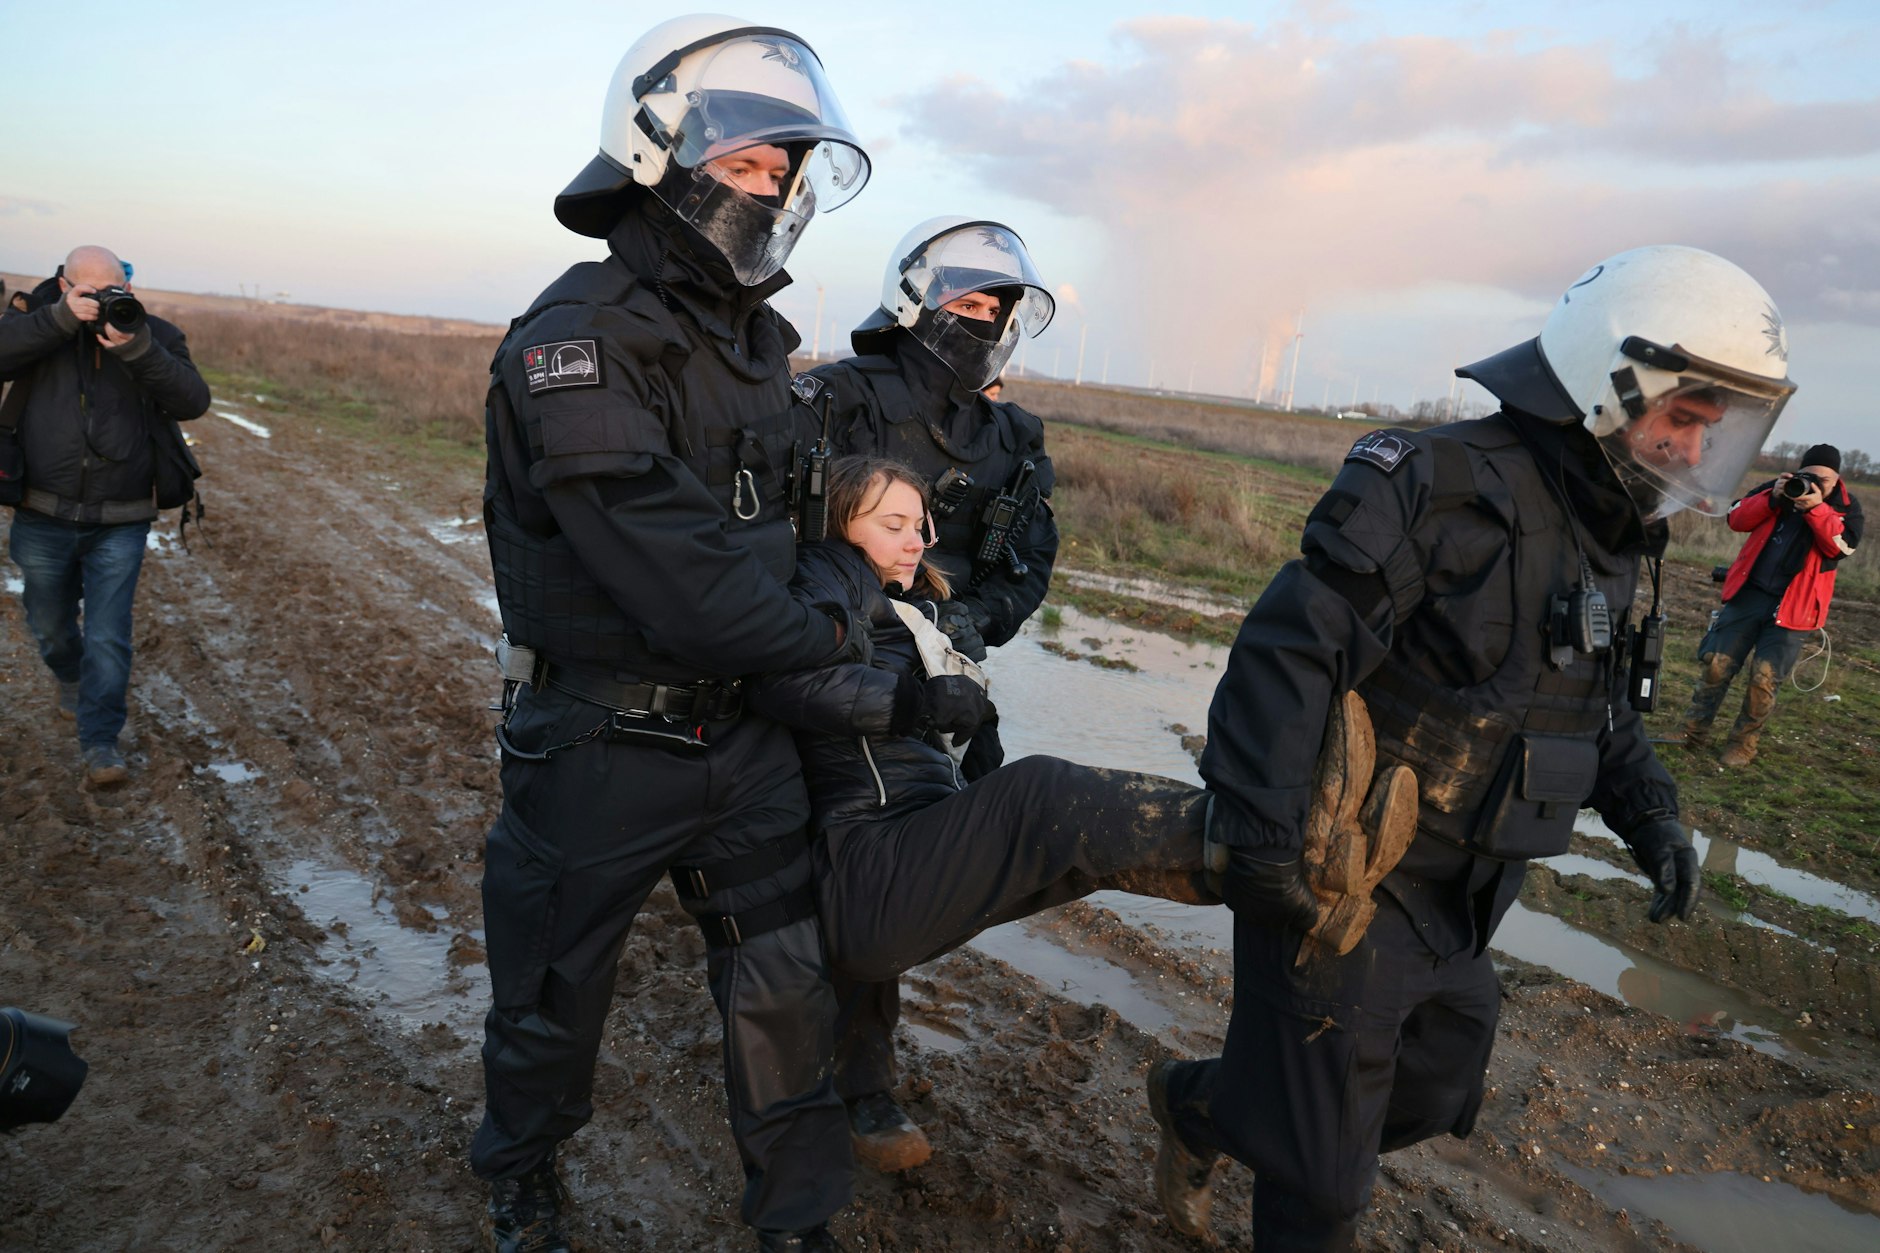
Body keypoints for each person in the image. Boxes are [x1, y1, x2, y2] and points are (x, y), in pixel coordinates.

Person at [1144, 245, 1795, 1249]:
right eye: (1679, 417)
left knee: (1431, 1084)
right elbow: (1285, 654)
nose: (1687, 447)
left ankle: (1203, 1105)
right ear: (1604, 385)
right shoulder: (1442, 484)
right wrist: (1265, 841)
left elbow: (1599, 707)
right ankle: (1271, 1128)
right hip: (1349, 876)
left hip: (1463, 899)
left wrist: (1652, 813)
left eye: (1709, 430)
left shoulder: (1612, 537)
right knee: (1321, 1184)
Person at [474, 16, 872, 1253]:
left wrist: (841, 586)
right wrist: (835, 619)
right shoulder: (576, 338)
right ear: (658, 148)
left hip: (744, 738)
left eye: (784, 173)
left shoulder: (759, 348)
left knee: (785, 981)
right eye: (750, 162)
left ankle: (795, 1213)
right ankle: (522, 1171)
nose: (771, 189)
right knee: (550, 992)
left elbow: (812, 529)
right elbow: (684, 579)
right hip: (600, 737)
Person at [797, 218, 1058, 1168]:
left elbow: (1028, 559)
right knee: (807, 858)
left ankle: (857, 1064)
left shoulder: (1014, 437)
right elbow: (774, 526)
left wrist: (964, 627)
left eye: (995, 306)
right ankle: (829, 1076)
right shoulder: (831, 396)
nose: (981, 319)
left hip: (938, 670)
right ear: (916, 299)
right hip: (822, 655)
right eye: (965, 300)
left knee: (918, 854)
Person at [754, 454, 1214, 981]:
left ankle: (1259, 871)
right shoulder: (823, 570)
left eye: (919, 525)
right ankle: (1242, 835)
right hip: (870, 871)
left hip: (902, 861)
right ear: (839, 524)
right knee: (1041, 793)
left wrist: (972, 718)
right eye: (892, 525)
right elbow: (782, 681)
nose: (915, 542)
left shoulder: (908, 610)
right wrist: (918, 702)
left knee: (1082, 853)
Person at [0, 246, 210, 786]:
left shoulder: (154, 334)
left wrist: (137, 348)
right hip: (42, 509)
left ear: (129, 290)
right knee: (50, 626)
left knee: (109, 636)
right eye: (85, 291)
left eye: (111, 290)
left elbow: (192, 400)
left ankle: (101, 743)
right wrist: (57, 319)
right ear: (64, 284)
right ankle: (69, 676)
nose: (100, 300)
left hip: (121, 516)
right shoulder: (34, 324)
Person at [1681, 443, 1861, 766]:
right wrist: (1772, 498)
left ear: (1837, 481)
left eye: (1824, 480)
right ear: (1798, 471)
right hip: (1749, 595)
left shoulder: (1846, 507)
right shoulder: (1778, 490)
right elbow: (1735, 518)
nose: (1814, 484)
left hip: (1795, 608)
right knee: (1715, 665)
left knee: (1763, 680)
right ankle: (1692, 733)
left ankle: (1742, 745)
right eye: (1809, 476)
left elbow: (1841, 548)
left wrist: (1816, 508)